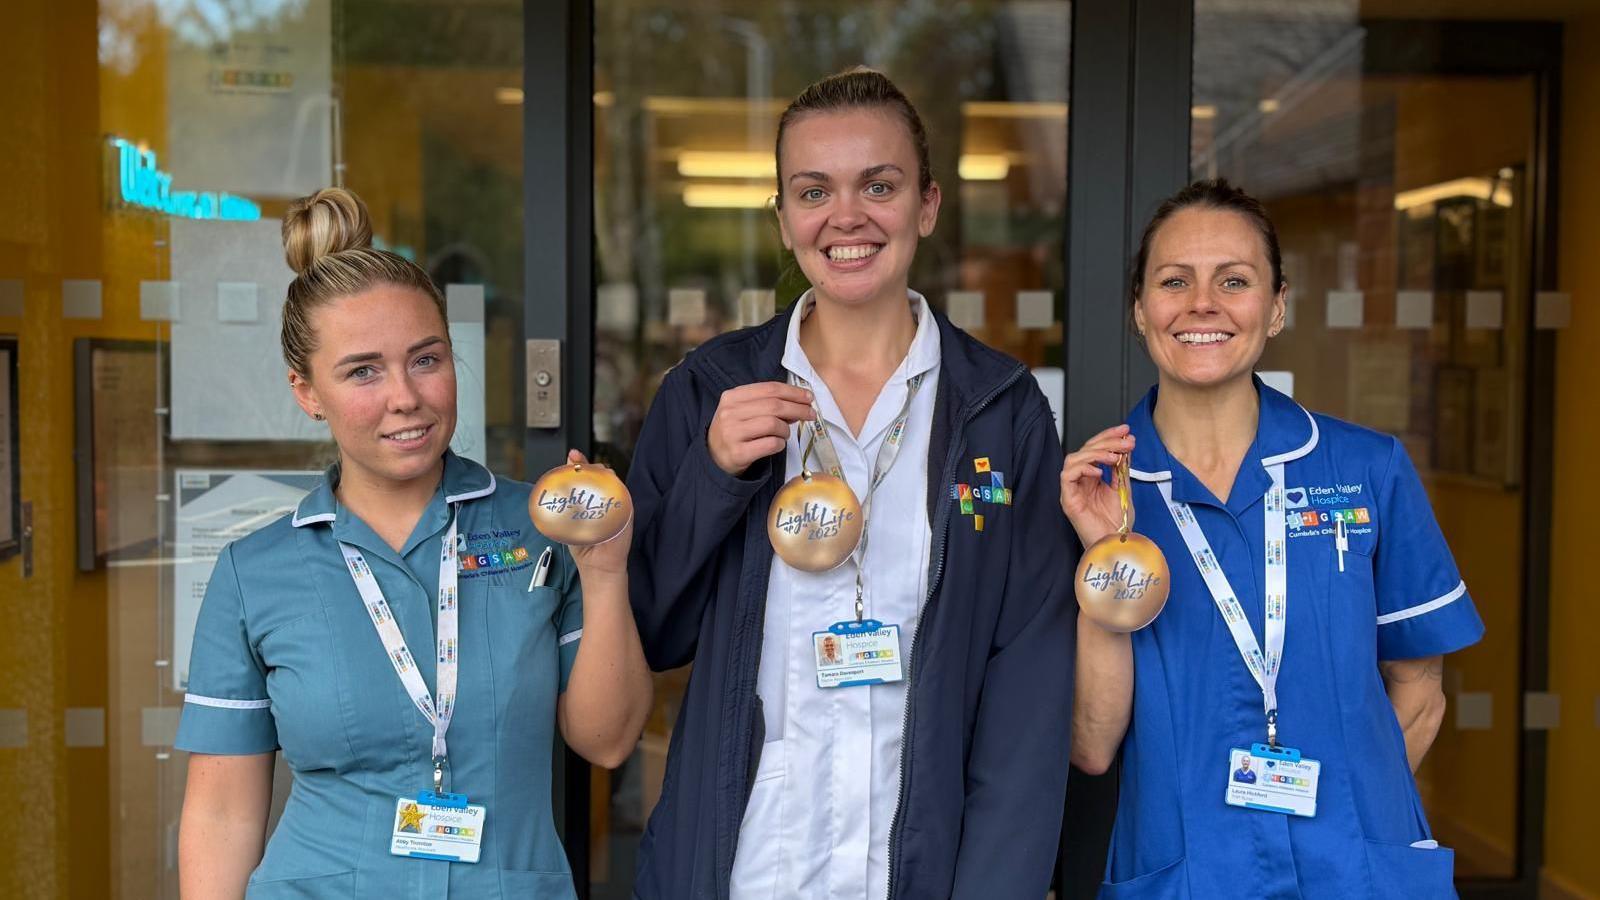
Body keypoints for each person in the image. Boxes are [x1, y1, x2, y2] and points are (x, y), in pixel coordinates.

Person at [626, 68, 1076, 899]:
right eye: (813, 190)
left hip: (917, 874)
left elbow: (1030, 692)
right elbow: (649, 628)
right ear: (784, 217)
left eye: (879, 184)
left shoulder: (1001, 412)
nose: (847, 216)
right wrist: (714, 477)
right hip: (744, 866)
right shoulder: (707, 391)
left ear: (927, 206)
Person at [175, 188, 652, 899]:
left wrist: (606, 572)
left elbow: (607, 741)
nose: (406, 396)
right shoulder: (254, 573)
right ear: (307, 392)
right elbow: (219, 811)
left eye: (425, 359)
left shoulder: (542, 528)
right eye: (362, 371)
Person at [1060, 178, 1484, 897]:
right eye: (1174, 281)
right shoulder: (1097, 493)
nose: (1203, 303)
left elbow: (1420, 691)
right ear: (1140, 309)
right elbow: (1092, 744)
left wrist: (1348, 830)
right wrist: (1107, 557)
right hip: (1187, 873)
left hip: (1357, 875)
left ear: (1277, 306)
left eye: (1235, 280)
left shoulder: (1365, 469)